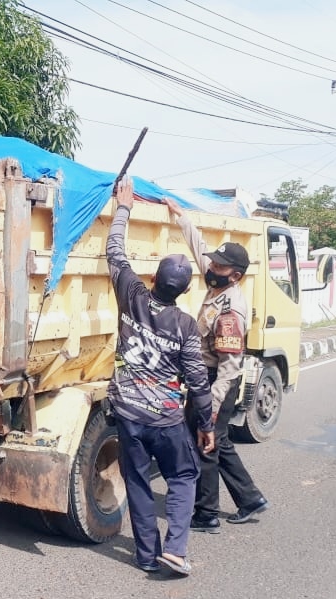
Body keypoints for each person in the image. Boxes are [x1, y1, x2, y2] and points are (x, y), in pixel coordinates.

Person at [105, 178, 215, 577]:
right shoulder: (186, 326)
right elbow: (199, 383)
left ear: (153, 278)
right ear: (184, 290)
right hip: (167, 420)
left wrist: (124, 207)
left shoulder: (132, 296)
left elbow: (114, 251)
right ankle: (176, 549)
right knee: (184, 476)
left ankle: (147, 556)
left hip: (129, 416)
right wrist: (206, 425)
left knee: (136, 481)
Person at [165, 197, 269, 534]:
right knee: (219, 442)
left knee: (205, 442)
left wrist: (210, 404)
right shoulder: (218, 285)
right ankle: (250, 498)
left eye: (219, 267)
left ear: (235, 275)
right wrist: (181, 217)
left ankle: (206, 514)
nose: (211, 268)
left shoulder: (230, 311)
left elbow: (229, 365)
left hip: (215, 382)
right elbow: (201, 249)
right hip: (206, 377)